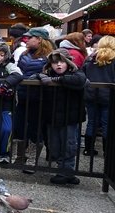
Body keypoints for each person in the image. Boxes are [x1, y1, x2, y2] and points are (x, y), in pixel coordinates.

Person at [36, 49, 86, 185]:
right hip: (52, 116)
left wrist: (55, 80)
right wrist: (41, 77)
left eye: (62, 62)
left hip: (70, 117)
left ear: (68, 62)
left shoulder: (76, 73)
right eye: (54, 63)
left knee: (68, 144)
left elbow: (80, 80)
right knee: (54, 144)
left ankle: (66, 171)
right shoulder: (46, 73)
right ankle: (65, 170)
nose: (58, 65)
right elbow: (34, 76)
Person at [12, 27, 54, 170]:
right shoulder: (24, 54)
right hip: (22, 95)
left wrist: (37, 77)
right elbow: (17, 70)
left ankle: (32, 159)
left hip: (40, 97)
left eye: (30, 37)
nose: (27, 39)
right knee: (19, 126)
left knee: (35, 128)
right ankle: (19, 156)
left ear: (40, 39)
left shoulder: (50, 57)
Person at [82, 35, 115, 157]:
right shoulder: (113, 58)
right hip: (109, 95)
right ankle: (108, 151)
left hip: (91, 94)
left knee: (92, 122)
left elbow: (83, 74)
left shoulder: (91, 58)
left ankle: (88, 149)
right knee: (107, 123)